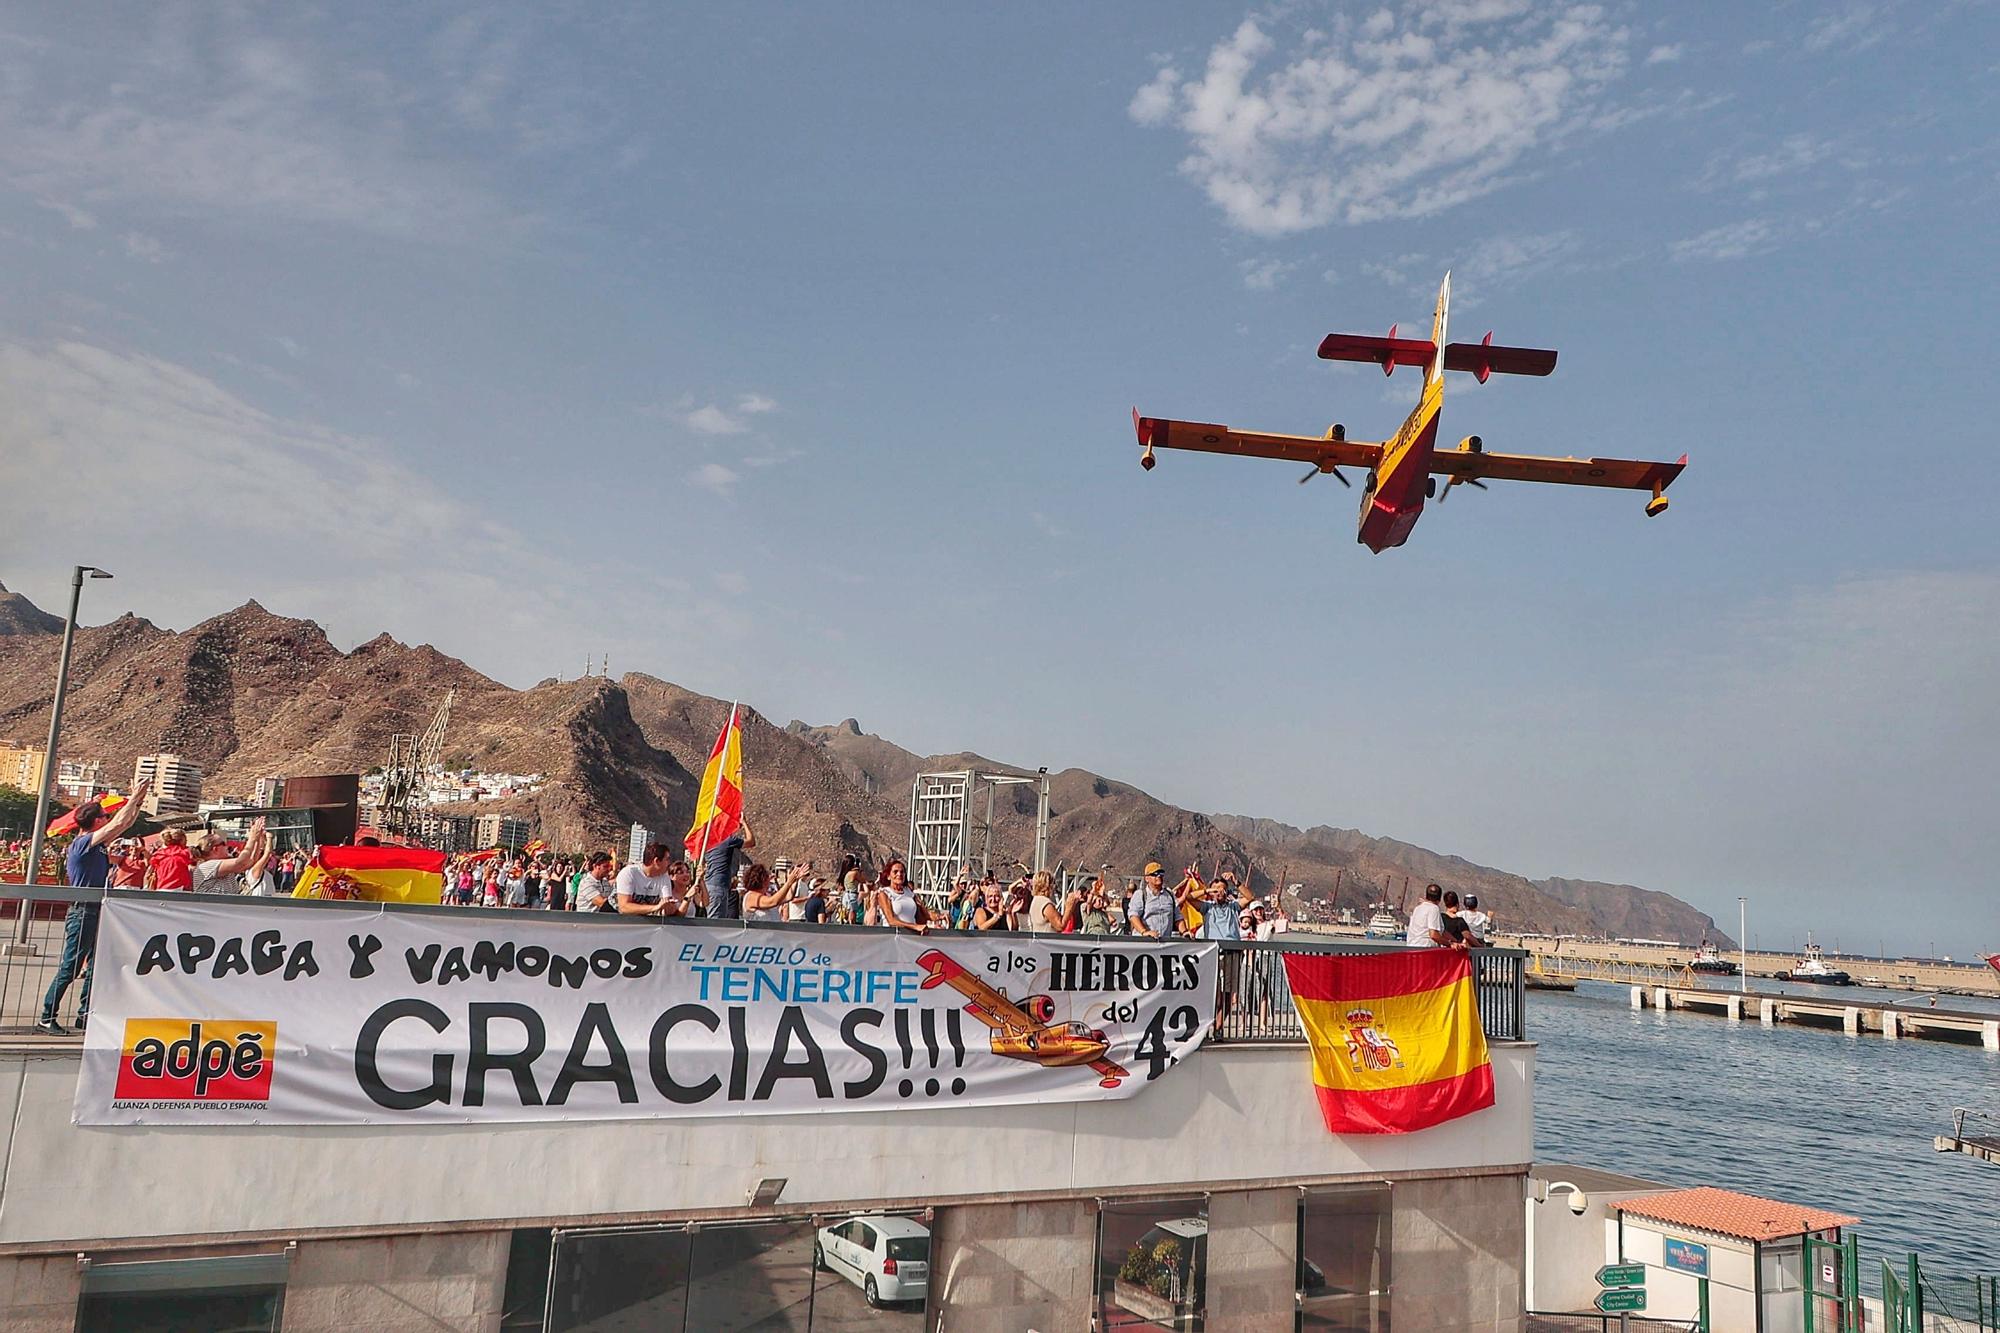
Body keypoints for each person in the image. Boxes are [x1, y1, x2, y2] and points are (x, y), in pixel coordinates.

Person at [38, 778, 151, 1036]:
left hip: (95, 910)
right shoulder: (83, 843)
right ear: (98, 821)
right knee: (71, 965)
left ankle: (85, 1014)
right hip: (83, 910)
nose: (107, 818)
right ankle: (47, 1016)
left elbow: (126, 822)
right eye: (104, 815)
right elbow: (121, 823)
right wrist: (134, 797)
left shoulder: (96, 845)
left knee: (94, 964)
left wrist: (138, 800)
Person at [615, 843, 699, 917]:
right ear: (657, 861)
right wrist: (656, 907)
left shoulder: (664, 877)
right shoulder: (629, 873)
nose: (669, 863)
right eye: (667, 859)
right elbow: (624, 907)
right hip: (614, 918)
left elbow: (668, 908)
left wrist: (670, 907)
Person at [189, 822, 264, 894]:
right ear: (215, 849)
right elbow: (241, 862)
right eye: (223, 843)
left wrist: (258, 838)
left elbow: (251, 861)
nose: (227, 846)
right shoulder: (206, 865)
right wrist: (252, 838)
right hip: (214, 906)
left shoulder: (221, 866)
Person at [701, 821, 756, 919]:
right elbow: (751, 842)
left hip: (709, 885)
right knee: (716, 923)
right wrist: (744, 823)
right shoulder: (726, 840)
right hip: (719, 887)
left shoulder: (707, 843)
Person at [872, 857, 928, 934]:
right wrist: (915, 926)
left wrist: (939, 916)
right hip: (894, 937)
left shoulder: (909, 893)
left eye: (902, 872)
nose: (899, 874)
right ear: (888, 876)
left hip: (911, 936)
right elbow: (891, 920)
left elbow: (924, 914)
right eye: (895, 872)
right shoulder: (884, 893)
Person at [1128, 862, 1178, 939]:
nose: (1159, 876)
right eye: (1155, 874)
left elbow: (1178, 916)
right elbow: (1133, 916)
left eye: (1161, 873)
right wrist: (1144, 932)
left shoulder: (1169, 894)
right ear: (1147, 878)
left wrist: (1184, 932)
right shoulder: (1140, 894)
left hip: (1164, 943)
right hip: (1144, 943)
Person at [1406, 883, 1451, 949]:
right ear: (1439, 899)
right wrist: (1449, 944)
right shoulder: (1434, 908)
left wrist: (1455, 941)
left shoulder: (1417, 908)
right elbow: (1433, 934)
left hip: (1412, 948)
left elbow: (1441, 931)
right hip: (1425, 949)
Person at [147, 827, 193, 891]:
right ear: (182, 840)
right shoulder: (185, 853)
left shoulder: (158, 854)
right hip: (180, 888)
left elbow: (149, 870)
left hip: (161, 888)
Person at [1026, 869, 1063, 934]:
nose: (1054, 887)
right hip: (1047, 942)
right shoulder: (1045, 903)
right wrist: (1069, 907)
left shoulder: (1035, 900)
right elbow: (1059, 925)